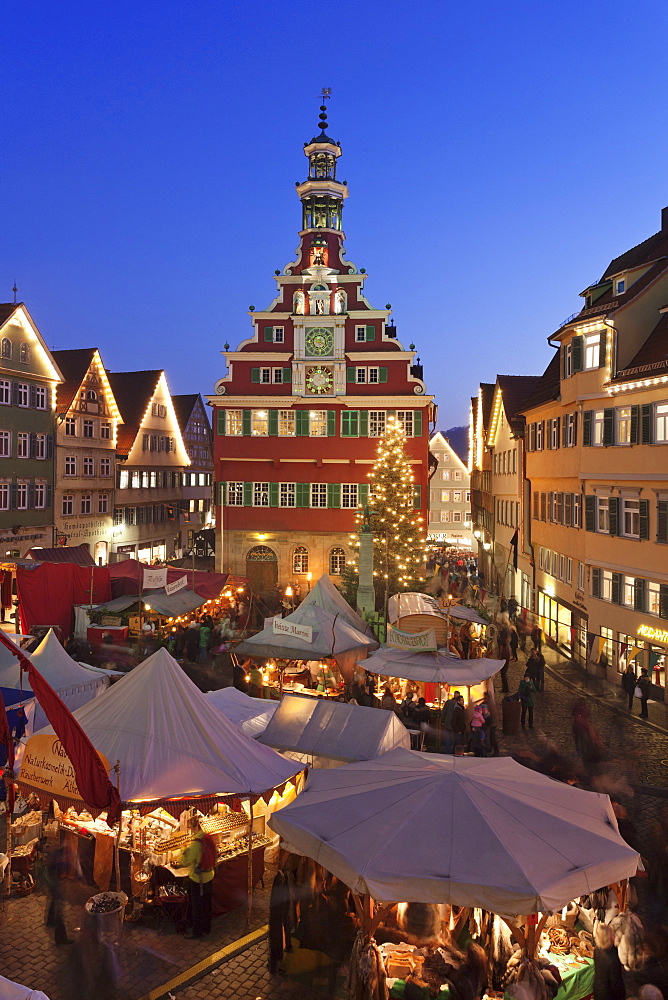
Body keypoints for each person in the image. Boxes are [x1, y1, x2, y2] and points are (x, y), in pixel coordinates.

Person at [179, 828, 215, 939]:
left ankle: (197, 931)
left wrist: (183, 849)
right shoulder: (207, 838)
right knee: (207, 904)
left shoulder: (195, 843)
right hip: (209, 875)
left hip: (198, 879)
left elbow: (184, 861)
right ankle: (207, 928)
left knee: (197, 906)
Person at [593, 921, 626, 1000]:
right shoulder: (613, 958)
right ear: (609, 937)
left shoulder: (597, 949)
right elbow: (616, 983)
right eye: (612, 933)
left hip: (598, 988)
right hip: (609, 994)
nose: (614, 935)